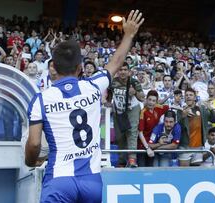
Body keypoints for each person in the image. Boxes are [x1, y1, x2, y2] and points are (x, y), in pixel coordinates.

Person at [25, 10, 144, 203]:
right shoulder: (93, 86)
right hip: (92, 181)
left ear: (53, 66)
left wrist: (30, 161)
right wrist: (129, 34)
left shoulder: (41, 99)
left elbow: (34, 144)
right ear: (80, 68)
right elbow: (116, 62)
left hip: (59, 180)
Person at [177, 87, 215, 166]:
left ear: (195, 97)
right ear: (184, 98)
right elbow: (178, 128)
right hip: (185, 147)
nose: (188, 96)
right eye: (186, 95)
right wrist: (183, 116)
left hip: (198, 147)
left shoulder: (201, 109)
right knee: (184, 173)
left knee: (196, 173)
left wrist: (211, 109)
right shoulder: (180, 110)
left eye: (191, 95)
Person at [137, 90, 169, 167]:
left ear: (156, 102)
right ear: (146, 99)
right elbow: (140, 132)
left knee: (150, 170)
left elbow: (170, 107)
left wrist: (182, 109)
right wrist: (147, 148)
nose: (151, 102)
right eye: (149, 100)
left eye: (153, 101)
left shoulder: (158, 108)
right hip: (143, 146)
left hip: (153, 145)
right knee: (142, 170)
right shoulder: (143, 112)